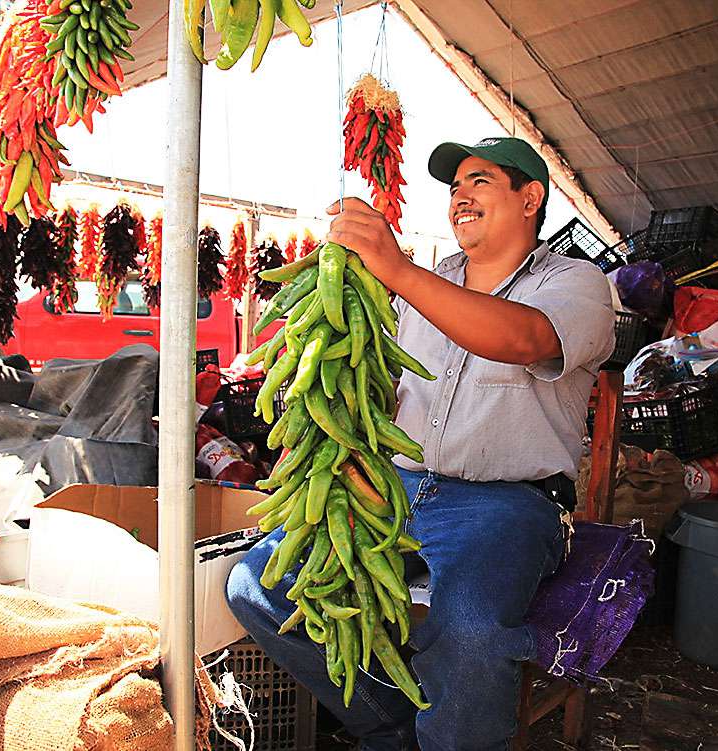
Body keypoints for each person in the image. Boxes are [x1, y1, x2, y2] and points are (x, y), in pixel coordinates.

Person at [227, 137, 616, 750]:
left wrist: (397, 271)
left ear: (531, 197)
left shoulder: (576, 282)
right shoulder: (428, 284)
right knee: (257, 588)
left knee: (472, 629)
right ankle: (393, 724)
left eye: (479, 180)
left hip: (508, 503)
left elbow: (523, 340)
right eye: (454, 185)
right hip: (398, 487)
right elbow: (388, 391)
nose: (459, 195)